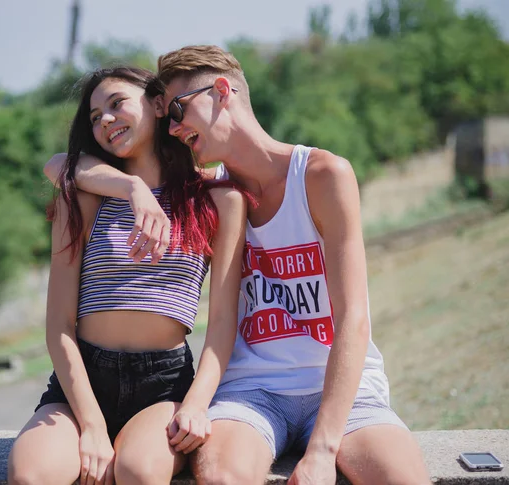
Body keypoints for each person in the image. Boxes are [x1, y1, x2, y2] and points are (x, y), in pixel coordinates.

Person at [44, 46, 432, 485]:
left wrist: (323, 449)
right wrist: (132, 186)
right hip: (250, 392)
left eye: (177, 109)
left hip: (344, 390)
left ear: (222, 92)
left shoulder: (322, 175)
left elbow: (355, 320)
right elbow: (61, 166)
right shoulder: (213, 194)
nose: (173, 127)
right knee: (220, 476)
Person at [8, 66, 246, 485]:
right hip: (83, 380)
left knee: (137, 470)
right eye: (95, 117)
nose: (105, 120)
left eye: (117, 104)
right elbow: (58, 326)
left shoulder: (214, 200)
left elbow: (223, 323)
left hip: (164, 383)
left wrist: (196, 404)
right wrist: (93, 425)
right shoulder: (82, 197)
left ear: (157, 105)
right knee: (32, 475)